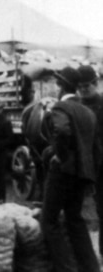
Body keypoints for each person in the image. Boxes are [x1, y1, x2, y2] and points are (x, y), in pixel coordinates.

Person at [41, 66, 100, 272]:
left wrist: (60, 155)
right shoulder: (86, 111)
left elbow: (63, 131)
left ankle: (66, 268)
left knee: (49, 221)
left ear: (59, 86)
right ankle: (91, 266)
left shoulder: (60, 107)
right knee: (75, 219)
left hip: (63, 172)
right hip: (82, 173)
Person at [77, 65, 103, 260]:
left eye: (87, 85)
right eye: (80, 86)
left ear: (96, 84)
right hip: (83, 165)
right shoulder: (77, 106)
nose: (84, 89)